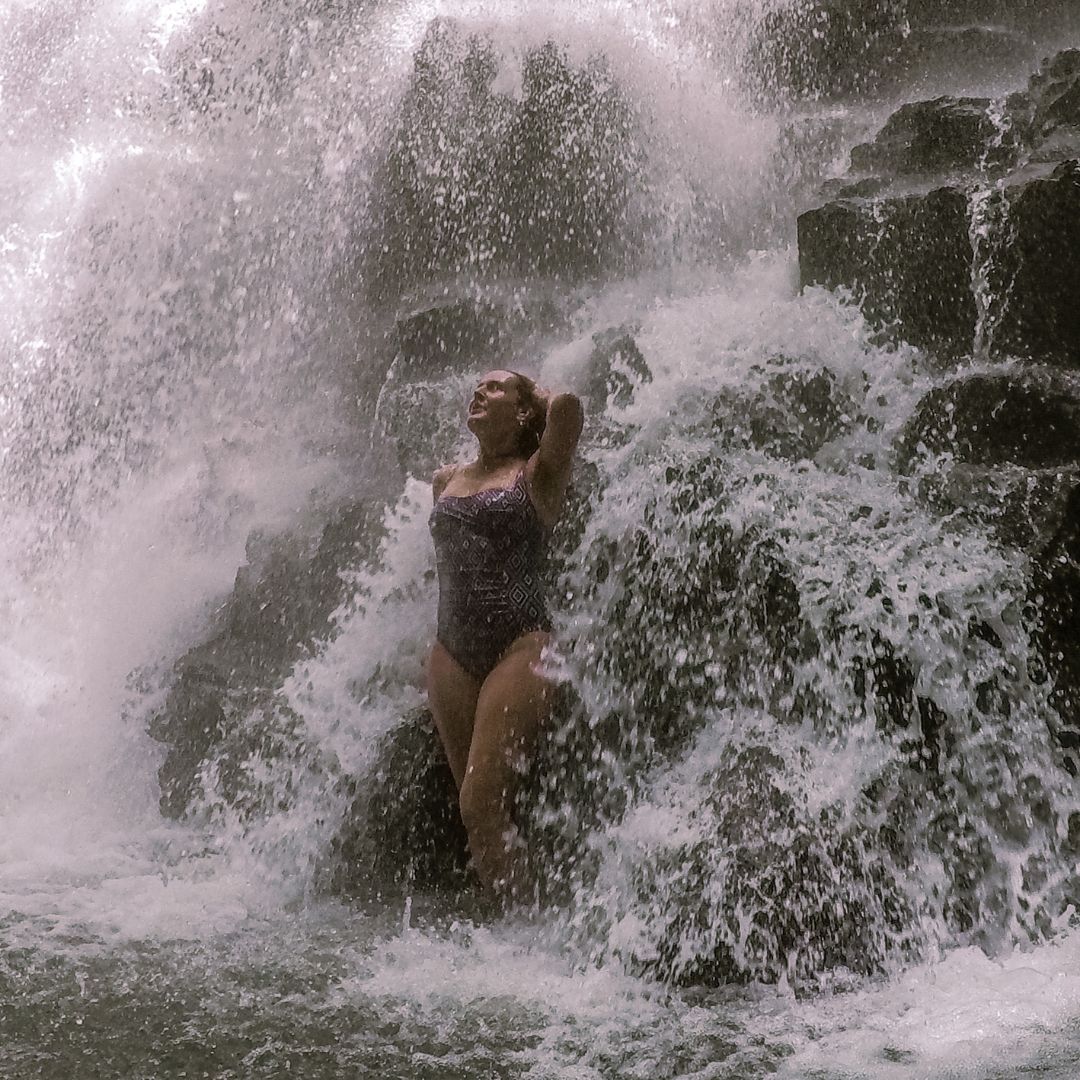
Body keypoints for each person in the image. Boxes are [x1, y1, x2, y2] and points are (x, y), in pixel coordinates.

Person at [427, 368, 583, 904]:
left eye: (495, 388)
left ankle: (524, 931)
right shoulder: (445, 480)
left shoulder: (538, 474)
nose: (479, 391)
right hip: (451, 652)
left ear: (521, 412)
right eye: (478, 385)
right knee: (477, 809)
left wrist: (536, 395)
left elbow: (567, 409)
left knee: (482, 803)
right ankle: (505, 915)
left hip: (521, 645)